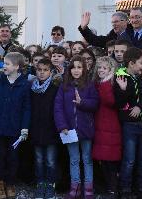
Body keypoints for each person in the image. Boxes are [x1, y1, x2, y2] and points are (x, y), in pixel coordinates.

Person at [0, 52, 31, 199]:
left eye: (7, 64)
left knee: (13, 157)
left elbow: (26, 108)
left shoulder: (24, 84)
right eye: (4, 63)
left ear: (16, 66)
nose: (4, 66)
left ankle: (10, 182)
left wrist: (24, 127)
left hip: (15, 129)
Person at [54, 56, 99, 199]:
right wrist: (62, 126)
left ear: (84, 69)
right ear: (69, 69)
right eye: (74, 67)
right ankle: (75, 187)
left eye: (80, 67)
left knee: (87, 159)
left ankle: (88, 187)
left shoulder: (90, 85)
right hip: (69, 130)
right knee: (74, 159)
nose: (76, 70)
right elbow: (58, 108)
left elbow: (95, 104)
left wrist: (82, 103)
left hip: (86, 129)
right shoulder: (64, 86)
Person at [114, 47, 142, 198]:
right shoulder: (120, 78)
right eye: (141, 63)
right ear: (131, 63)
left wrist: (140, 106)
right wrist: (123, 90)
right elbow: (119, 102)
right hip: (130, 125)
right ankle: (125, 188)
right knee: (129, 159)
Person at [92, 56, 121, 198]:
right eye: (100, 68)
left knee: (110, 160)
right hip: (100, 123)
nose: (101, 70)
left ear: (111, 70)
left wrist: (105, 83)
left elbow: (110, 101)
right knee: (102, 159)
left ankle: (113, 188)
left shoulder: (111, 83)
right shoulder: (97, 83)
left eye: (105, 68)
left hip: (110, 124)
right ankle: (107, 186)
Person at [30, 58, 59, 199]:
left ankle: (50, 183)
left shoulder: (54, 88)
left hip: (51, 130)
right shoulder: (32, 88)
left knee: (50, 160)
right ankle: (40, 183)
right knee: (39, 159)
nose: (42, 73)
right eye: (39, 70)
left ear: (50, 72)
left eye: (45, 70)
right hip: (36, 129)